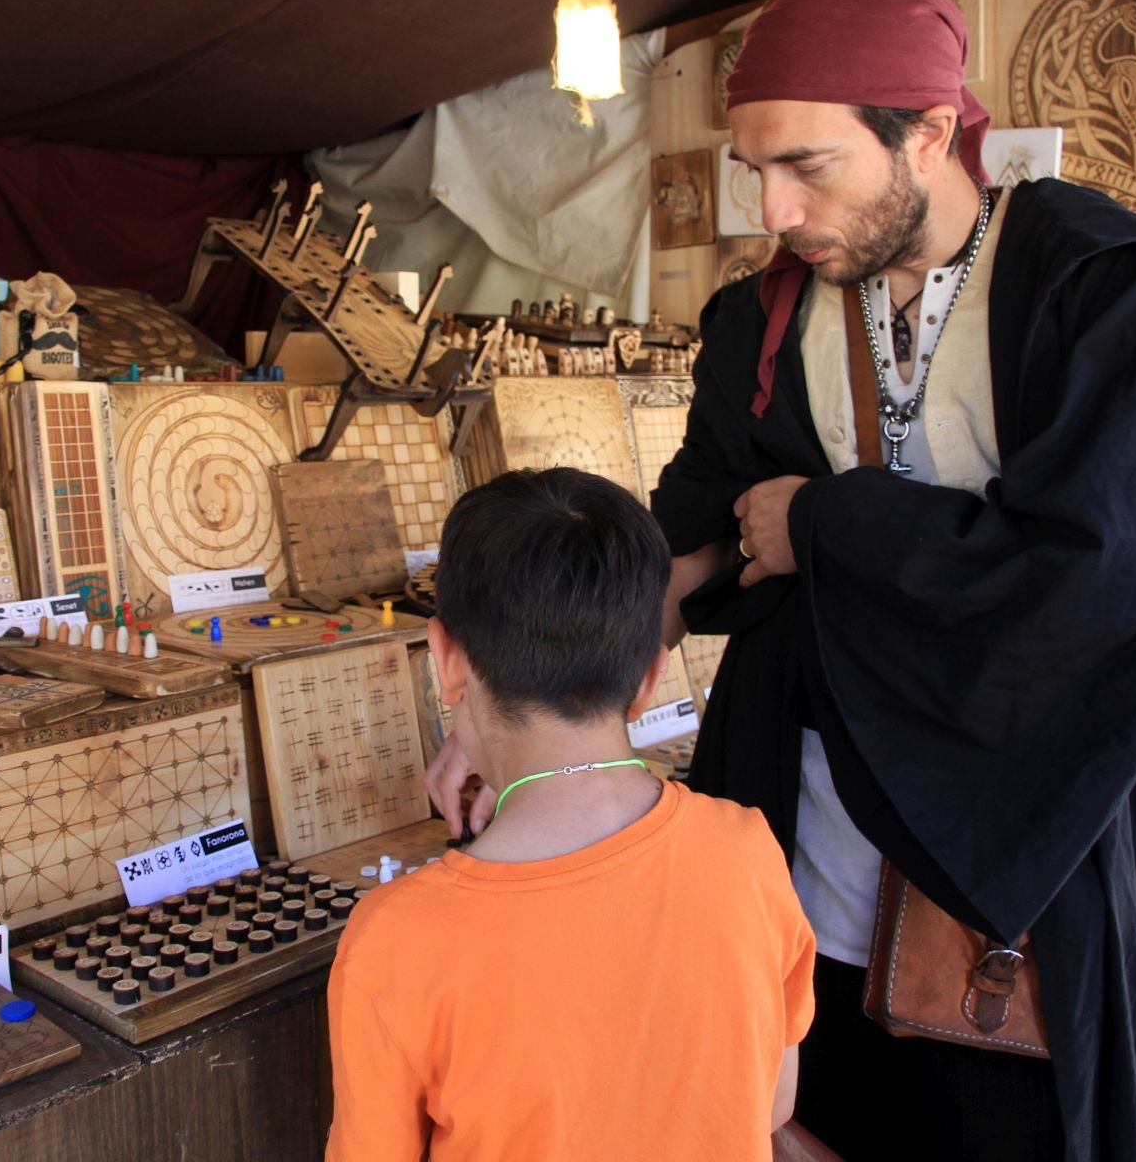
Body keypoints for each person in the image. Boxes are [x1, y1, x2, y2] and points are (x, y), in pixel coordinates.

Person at [574, 0, 1136, 1160]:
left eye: (807, 166)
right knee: (804, 1112)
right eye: (754, 169)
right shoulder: (760, 318)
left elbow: (1094, 585)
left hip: (1012, 875)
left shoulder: (1113, 294)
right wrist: (524, 723)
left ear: (930, 133)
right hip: (805, 837)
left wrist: (823, 523)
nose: (772, 209)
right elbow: (688, 537)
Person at [331, 468, 816, 1162]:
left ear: (446, 663)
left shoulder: (394, 941)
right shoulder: (746, 852)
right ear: (650, 677)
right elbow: (773, 1102)